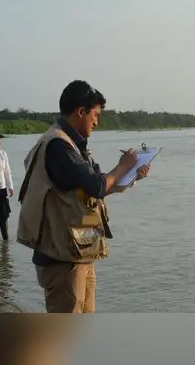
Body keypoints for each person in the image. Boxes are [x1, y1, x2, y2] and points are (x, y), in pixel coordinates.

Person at [16, 80, 152, 313]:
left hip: (77, 252)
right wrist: (123, 165)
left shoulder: (73, 145)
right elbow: (98, 186)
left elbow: (96, 186)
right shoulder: (59, 146)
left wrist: (132, 174)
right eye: (95, 115)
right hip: (62, 259)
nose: (97, 122)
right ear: (81, 111)